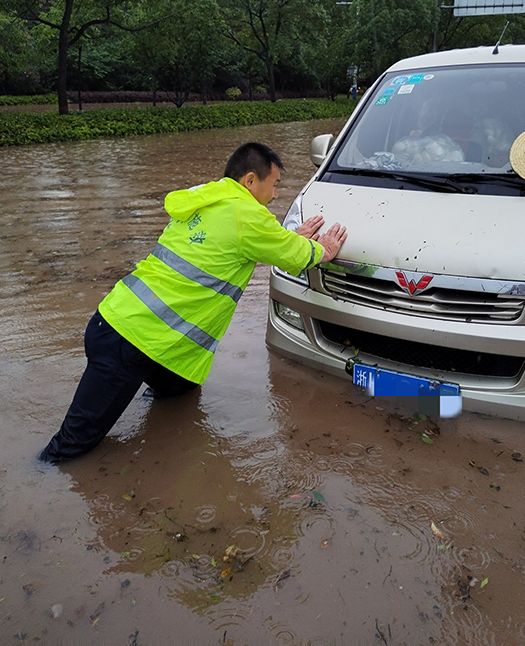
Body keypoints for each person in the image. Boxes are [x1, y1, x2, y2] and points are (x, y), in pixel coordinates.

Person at [39, 142, 347, 463]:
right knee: (70, 447)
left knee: (181, 390)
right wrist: (322, 248)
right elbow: (297, 255)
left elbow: (267, 244)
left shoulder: (204, 198)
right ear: (251, 181)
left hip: (128, 326)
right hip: (129, 341)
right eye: (275, 185)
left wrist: (292, 239)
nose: (276, 195)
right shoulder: (248, 215)